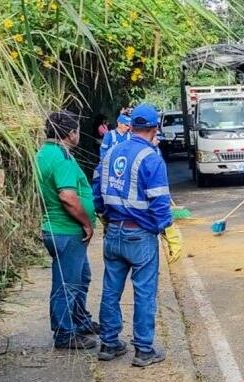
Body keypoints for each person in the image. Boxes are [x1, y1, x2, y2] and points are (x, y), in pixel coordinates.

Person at [92, 104, 177, 367]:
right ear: (154, 129)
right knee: (144, 293)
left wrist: (104, 217)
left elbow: (97, 190)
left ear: (131, 125)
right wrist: (168, 230)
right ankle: (143, 350)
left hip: (113, 231)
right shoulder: (151, 158)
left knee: (110, 290)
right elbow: (160, 200)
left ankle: (109, 343)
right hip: (140, 235)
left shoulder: (111, 152)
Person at [36, 111, 99, 350]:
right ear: (71, 133)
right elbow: (68, 197)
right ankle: (65, 333)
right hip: (66, 229)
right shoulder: (61, 158)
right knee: (67, 283)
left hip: (57, 228)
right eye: (78, 130)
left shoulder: (44, 153)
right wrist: (86, 222)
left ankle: (80, 320)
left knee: (81, 277)